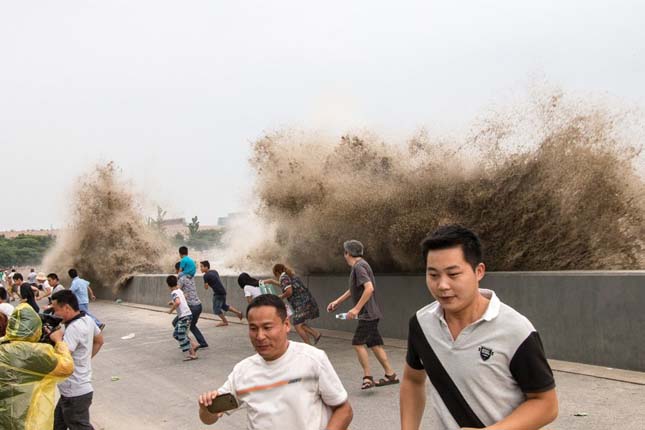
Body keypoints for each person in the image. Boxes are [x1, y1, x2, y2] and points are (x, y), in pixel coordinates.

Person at [400, 225, 558, 430]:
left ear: (479, 271)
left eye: (453, 274)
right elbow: (412, 380)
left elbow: (546, 404)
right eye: (433, 275)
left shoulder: (516, 330)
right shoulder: (421, 324)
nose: (442, 285)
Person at [198, 294, 353, 430]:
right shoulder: (242, 371)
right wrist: (205, 409)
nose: (259, 336)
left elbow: (344, 409)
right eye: (253, 328)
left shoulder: (313, 360)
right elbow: (210, 418)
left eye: (267, 327)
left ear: (286, 325)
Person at [327, 240, 398, 390]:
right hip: (372, 313)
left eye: (344, 252)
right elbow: (353, 289)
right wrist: (337, 302)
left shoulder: (359, 267)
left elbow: (369, 288)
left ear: (348, 253)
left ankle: (367, 377)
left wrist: (356, 309)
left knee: (358, 343)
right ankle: (390, 375)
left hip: (367, 314)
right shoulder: (361, 265)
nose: (344, 255)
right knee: (374, 344)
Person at [0, 303, 75, 430]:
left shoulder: (3, 346)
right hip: (29, 423)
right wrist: (59, 342)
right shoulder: (35, 353)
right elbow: (67, 367)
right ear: (35, 329)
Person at [50, 289, 105, 430]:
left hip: (74, 393)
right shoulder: (87, 320)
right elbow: (99, 340)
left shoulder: (73, 328)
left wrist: (56, 339)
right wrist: (84, 359)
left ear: (67, 308)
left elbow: (63, 358)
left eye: (56, 310)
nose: (54, 314)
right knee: (56, 425)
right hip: (72, 391)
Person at [266, 263, 321, 345]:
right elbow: (284, 285)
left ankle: (308, 345)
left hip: (302, 303)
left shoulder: (284, 278)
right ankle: (316, 334)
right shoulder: (289, 275)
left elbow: (289, 291)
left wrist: (281, 297)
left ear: (277, 272)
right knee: (299, 322)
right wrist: (272, 281)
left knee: (297, 324)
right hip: (307, 301)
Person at [175, 262, 208, 349]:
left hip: (191, 308)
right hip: (198, 306)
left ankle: (188, 342)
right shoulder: (191, 277)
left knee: (176, 323)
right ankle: (202, 343)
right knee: (192, 326)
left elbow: (176, 292)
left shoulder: (181, 279)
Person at [200, 260, 243, 326]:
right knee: (224, 306)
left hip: (218, 293)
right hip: (223, 291)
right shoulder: (214, 271)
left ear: (206, 267)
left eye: (202, 267)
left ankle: (225, 321)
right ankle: (238, 312)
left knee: (216, 309)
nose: (200, 268)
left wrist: (206, 283)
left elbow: (206, 287)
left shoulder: (206, 276)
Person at [166, 275, 198, 361]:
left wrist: (171, 310)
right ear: (176, 283)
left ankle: (193, 353)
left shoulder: (173, 293)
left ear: (168, 285)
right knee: (176, 334)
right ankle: (193, 344)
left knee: (181, 335)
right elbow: (184, 297)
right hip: (187, 315)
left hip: (185, 316)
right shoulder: (179, 290)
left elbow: (178, 302)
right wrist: (172, 302)